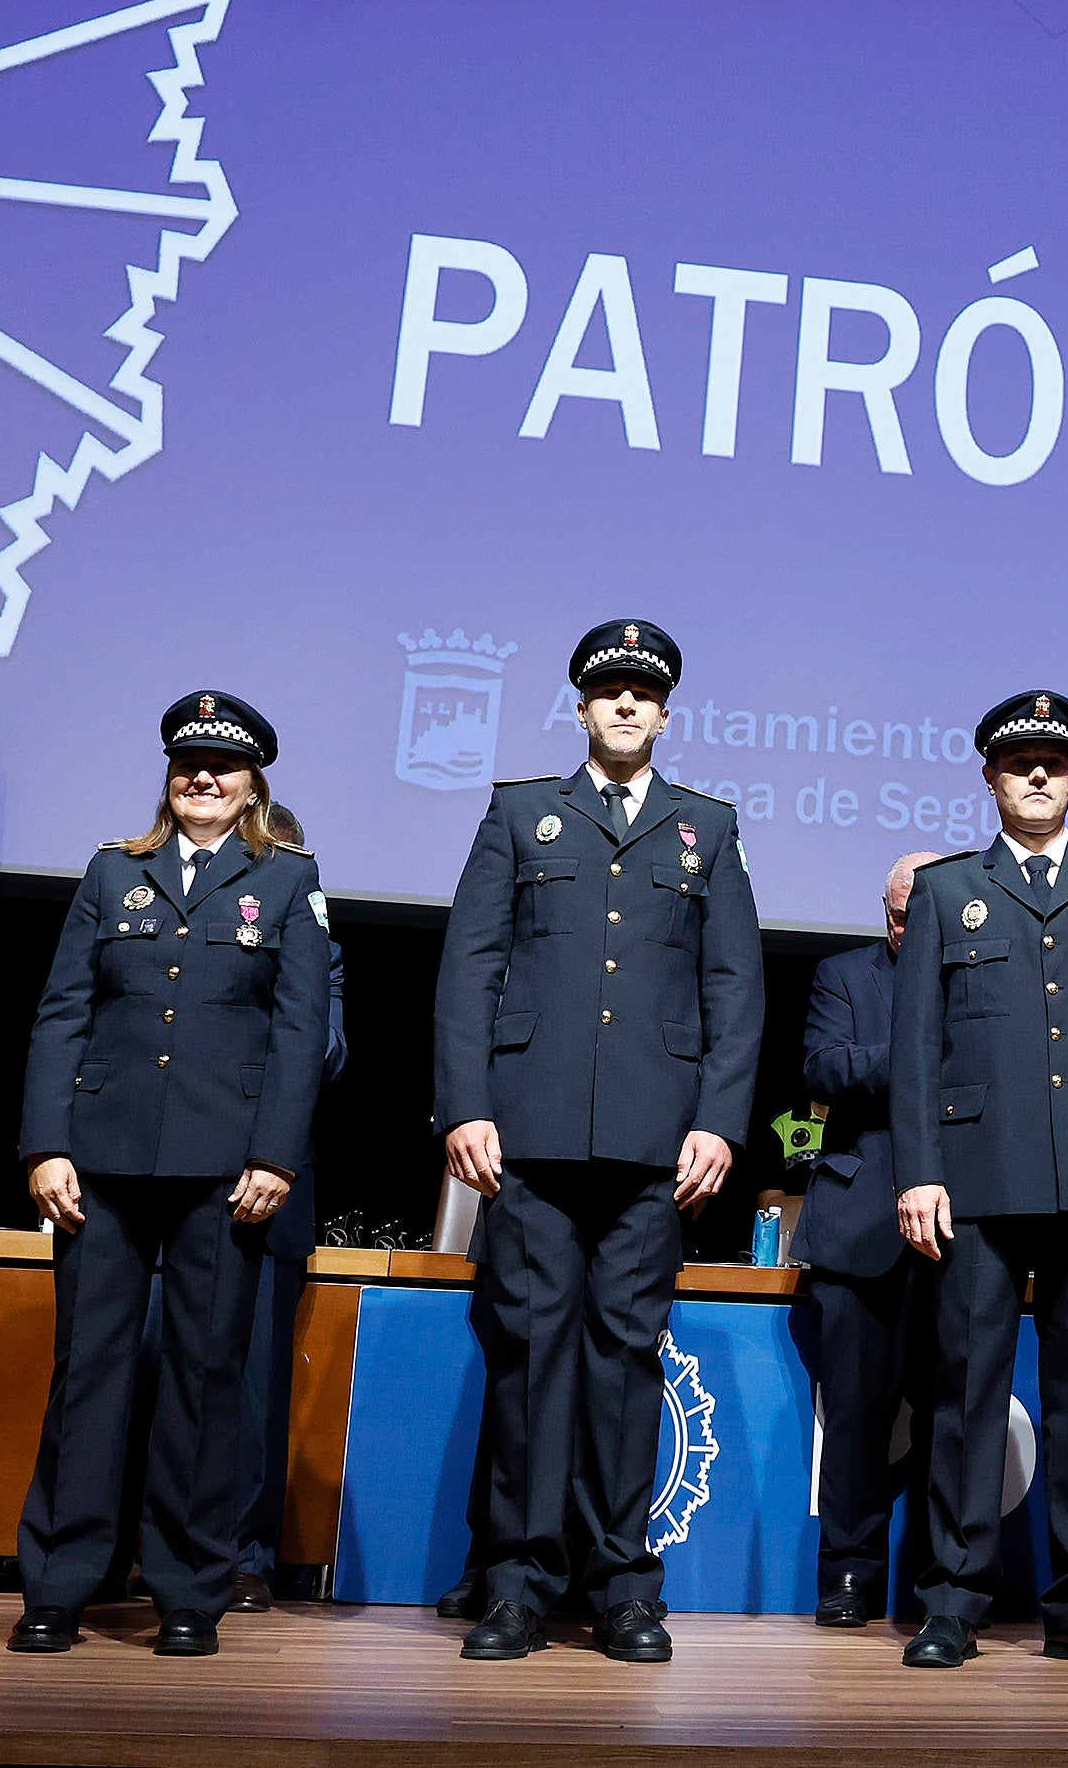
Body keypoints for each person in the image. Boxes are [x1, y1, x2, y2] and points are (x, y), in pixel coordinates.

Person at [434, 619, 761, 1665]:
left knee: (625, 1358)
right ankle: (519, 1585)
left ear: (665, 713)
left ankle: (625, 1584)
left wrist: (717, 1118)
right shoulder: (521, 812)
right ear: (579, 706)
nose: (624, 704)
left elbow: (732, 986)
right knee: (530, 1356)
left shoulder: (705, 826)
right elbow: (468, 969)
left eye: (641, 692)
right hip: (525, 1132)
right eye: (607, 690)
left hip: (654, 1142)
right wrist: (464, 1104)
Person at [8, 691, 329, 1659]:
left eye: (222, 765)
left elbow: (299, 1030)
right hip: (99, 1161)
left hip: (223, 1166)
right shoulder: (115, 872)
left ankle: (188, 1585)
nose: (202, 776)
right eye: (187, 761)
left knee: (204, 1377)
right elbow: (61, 1011)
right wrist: (45, 1144)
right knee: (88, 1375)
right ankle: (60, 1583)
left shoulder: (286, 881)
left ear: (252, 782)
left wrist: (275, 1153)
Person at [890, 690, 1068, 1671]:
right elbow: (917, 1046)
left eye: (1053, 758)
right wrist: (919, 1172)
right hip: (973, 1180)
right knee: (965, 1399)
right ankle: (951, 1603)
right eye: (1019, 759)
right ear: (989, 774)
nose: (1037, 773)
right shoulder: (943, 891)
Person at [795, 850, 949, 1627]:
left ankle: (941, 1586)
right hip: (861, 1232)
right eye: (893, 915)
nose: (903, 928)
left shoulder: (986, 978)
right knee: (855, 1420)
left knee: (951, 1419)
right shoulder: (844, 975)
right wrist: (927, 1057)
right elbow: (825, 1068)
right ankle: (849, 1575)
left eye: (918, 917)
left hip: (963, 1232)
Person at [229, 807, 347, 1610]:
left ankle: (241, 1553)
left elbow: (328, 1050)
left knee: (249, 1389)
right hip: (150, 1177)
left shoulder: (316, 945)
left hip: (261, 1184)